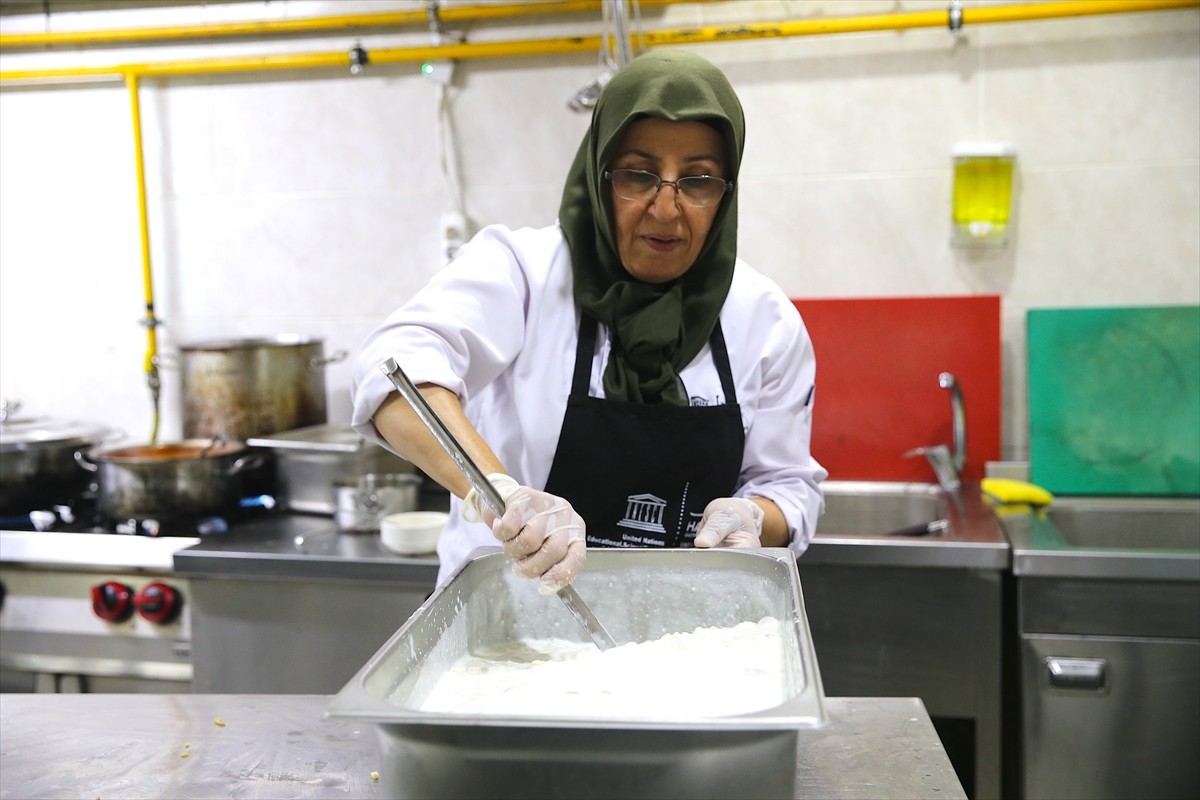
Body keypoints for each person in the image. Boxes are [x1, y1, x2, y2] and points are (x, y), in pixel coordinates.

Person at [351, 49, 825, 592]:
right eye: (639, 175)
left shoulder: (765, 320)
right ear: (599, 173)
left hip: (692, 637)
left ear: (726, 193)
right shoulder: (522, 274)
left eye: (697, 180)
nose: (666, 210)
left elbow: (789, 487)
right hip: (510, 635)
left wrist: (753, 519)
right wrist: (499, 492)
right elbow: (394, 369)